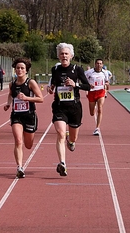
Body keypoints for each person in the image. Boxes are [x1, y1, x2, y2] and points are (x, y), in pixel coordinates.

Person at [48, 43, 90, 176]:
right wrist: (51, 88)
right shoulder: (55, 70)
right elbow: (53, 83)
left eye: (66, 54)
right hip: (60, 107)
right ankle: (62, 164)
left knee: (73, 136)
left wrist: (75, 84)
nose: (64, 56)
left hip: (74, 107)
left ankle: (71, 141)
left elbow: (88, 86)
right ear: (58, 56)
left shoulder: (77, 69)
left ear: (71, 56)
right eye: (61, 54)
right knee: (60, 133)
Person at [3, 57, 43, 178]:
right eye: (18, 68)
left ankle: (29, 138)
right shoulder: (12, 84)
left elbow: (40, 98)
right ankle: (20, 167)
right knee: (18, 140)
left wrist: (27, 98)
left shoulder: (31, 83)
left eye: (22, 68)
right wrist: (8, 104)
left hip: (29, 116)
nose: (19, 70)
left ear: (26, 70)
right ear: (15, 70)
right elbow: (10, 95)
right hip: (16, 116)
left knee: (28, 145)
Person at [85, 59, 110, 136]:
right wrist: (88, 86)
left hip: (101, 92)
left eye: (100, 64)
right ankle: (94, 106)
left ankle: (97, 128)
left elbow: (107, 82)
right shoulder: (89, 72)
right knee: (92, 113)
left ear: (102, 65)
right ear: (95, 64)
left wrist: (107, 86)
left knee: (100, 109)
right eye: (98, 63)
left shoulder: (105, 72)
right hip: (92, 92)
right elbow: (84, 81)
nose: (99, 65)